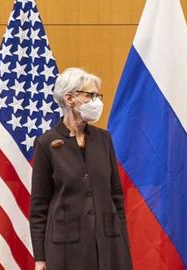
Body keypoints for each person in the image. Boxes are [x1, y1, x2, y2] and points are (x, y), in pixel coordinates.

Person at [30, 68, 133, 270]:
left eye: (98, 95)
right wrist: (40, 258)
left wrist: (123, 245)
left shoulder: (104, 139)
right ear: (69, 98)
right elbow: (39, 207)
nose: (97, 102)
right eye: (90, 95)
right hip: (66, 248)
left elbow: (116, 196)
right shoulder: (46, 143)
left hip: (108, 243)